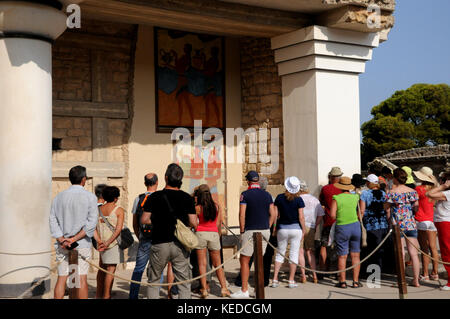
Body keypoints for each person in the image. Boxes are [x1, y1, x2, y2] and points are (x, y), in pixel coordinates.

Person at [141, 163, 198, 299]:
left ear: (166, 178)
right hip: (180, 244)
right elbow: (193, 222)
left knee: (153, 281)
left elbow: (144, 219)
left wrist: (156, 221)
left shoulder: (154, 197)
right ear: (180, 180)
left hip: (159, 242)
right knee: (183, 283)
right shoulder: (187, 198)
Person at [49, 165, 98, 299]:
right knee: (81, 279)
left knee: (62, 278)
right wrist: (74, 239)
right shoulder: (90, 197)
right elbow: (91, 224)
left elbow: (52, 220)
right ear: (84, 179)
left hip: (62, 243)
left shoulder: (58, 197)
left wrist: (62, 239)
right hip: (81, 243)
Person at [230, 171, 276, 299]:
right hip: (265, 230)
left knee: (244, 259)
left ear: (248, 181)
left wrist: (241, 230)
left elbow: (242, 214)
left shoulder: (245, 195)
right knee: (259, 260)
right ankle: (258, 289)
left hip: (250, 230)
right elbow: (273, 214)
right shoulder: (267, 195)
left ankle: (244, 290)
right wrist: (268, 226)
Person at [384, 168, 421, 287]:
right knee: (413, 253)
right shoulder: (413, 191)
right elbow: (416, 207)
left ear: (394, 178)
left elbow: (386, 207)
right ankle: (416, 280)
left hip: (397, 224)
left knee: (401, 253)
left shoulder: (392, 192)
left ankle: (402, 280)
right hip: (410, 223)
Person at [194, 184, 230, 298]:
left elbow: (194, 223)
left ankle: (204, 289)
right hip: (214, 234)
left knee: (202, 264)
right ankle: (224, 288)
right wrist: (217, 235)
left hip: (200, 233)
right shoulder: (217, 206)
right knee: (218, 264)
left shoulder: (197, 207)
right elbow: (219, 223)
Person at [271, 177, 306, 288]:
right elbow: (301, 217)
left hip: (282, 228)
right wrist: (304, 229)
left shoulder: (280, 198)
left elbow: (276, 215)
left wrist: (275, 228)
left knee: (280, 253)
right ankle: (291, 280)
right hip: (296, 229)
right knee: (294, 254)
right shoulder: (299, 200)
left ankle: (275, 279)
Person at [129, 173, 159, 299]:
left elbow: (135, 222)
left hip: (144, 238)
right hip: (159, 239)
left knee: (139, 268)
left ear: (144, 183)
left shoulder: (139, 199)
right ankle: (153, 295)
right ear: (157, 182)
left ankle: (133, 295)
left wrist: (139, 235)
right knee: (157, 270)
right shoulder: (161, 197)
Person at [330, 176, 362, 288]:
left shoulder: (336, 198)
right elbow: (360, 212)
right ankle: (356, 281)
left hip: (342, 227)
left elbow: (332, 215)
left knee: (342, 256)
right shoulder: (355, 197)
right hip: (355, 226)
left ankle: (342, 282)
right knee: (355, 255)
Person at [93, 186, 125, 299]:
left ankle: (98, 294)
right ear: (116, 198)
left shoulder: (98, 210)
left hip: (101, 243)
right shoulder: (119, 210)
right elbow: (118, 229)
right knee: (110, 271)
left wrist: (100, 242)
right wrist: (108, 242)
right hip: (113, 244)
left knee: (101, 269)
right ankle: (106, 295)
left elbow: (93, 228)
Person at [413, 167, 439, 282]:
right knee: (433, 248)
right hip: (432, 220)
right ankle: (435, 272)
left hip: (421, 220)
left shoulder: (418, 189)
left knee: (424, 249)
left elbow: (415, 205)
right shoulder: (435, 189)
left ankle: (425, 274)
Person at [359, 174, 389, 273]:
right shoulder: (383, 193)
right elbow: (387, 209)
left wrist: (359, 221)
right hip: (383, 223)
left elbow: (362, 211)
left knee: (371, 249)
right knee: (380, 248)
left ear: (369, 183)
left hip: (370, 225)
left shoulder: (365, 194)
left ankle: (373, 273)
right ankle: (380, 270)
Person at [427, 172, 450, 290]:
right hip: (444, 223)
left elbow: (429, 193)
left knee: (447, 252)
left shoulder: (447, 193)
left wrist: (443, 186)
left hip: (445, 224)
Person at [318, 167, 343, 278]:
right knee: (340, 247)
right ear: (340, 177)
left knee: (324, 246)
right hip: (341, 222)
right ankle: (339, 272)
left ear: (330, 177)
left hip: (328, 221)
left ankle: (323, 270)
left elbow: (321, 202)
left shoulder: (325, 189)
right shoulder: (343, 190)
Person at [298, 179, 324, 283]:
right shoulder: (315, 200)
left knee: (300, 252)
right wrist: (315, 225)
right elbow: (321, 215)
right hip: (311, 226)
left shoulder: (297, 199)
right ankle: (314, 276)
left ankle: (303, 275)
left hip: (299, 226)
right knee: (310, 252)